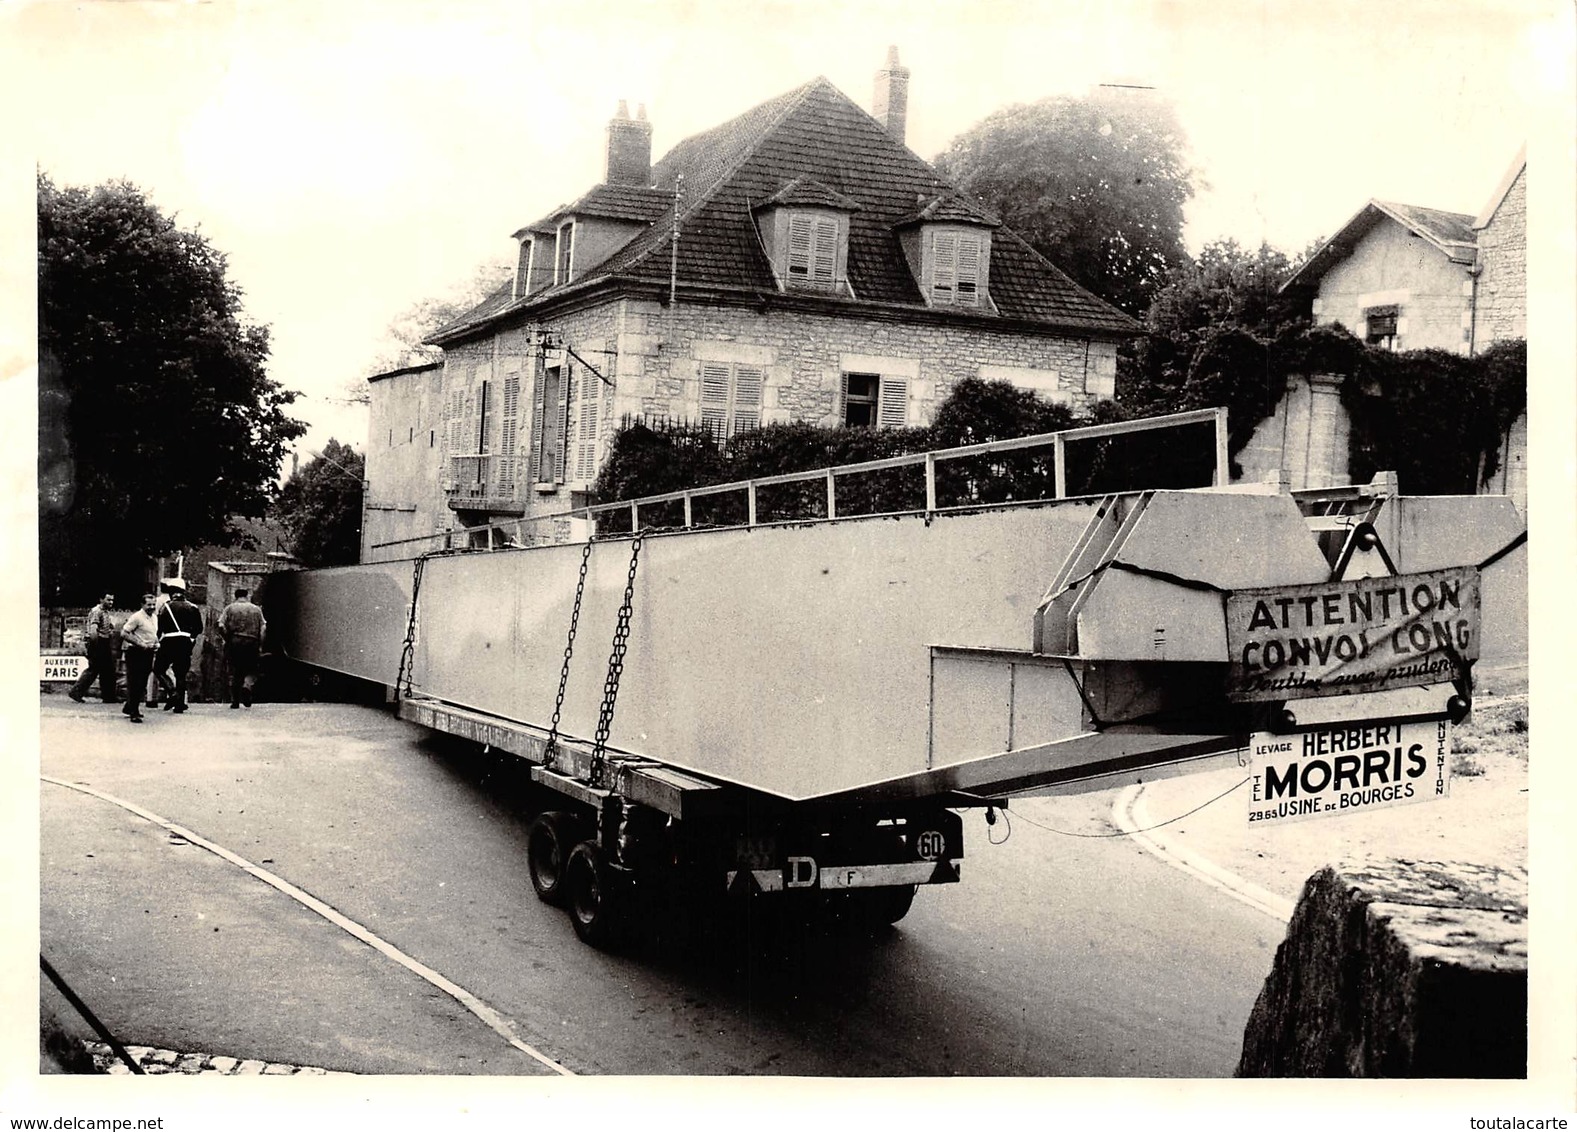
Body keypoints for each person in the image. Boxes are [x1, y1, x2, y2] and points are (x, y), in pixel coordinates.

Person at [154, 580, 203, 713]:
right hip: (185, 641)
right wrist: (191, 638)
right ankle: (180, 704)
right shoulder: (193, 607)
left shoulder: (166, 607)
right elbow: (199, 628)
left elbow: (160, 627)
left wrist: (157, 640)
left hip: (169, 640)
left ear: (171, 594)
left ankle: (172, 691)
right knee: (181, 673)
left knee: (158, 668)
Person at [219, 588, 266, 708]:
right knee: (252, 669)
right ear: (247, 596)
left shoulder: (229, 608)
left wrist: (227, 638)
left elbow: (220, 625)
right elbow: (263, 628)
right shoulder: (256, 609)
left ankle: (235, 701)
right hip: (252, 641)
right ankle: (247, 685)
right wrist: (260, 644)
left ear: (235, 596)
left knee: (236, 671)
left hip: (235, 641)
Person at [69, 592, 120, 704]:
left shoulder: (105, 612)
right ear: (101, 599)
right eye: (108, 600)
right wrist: (96, 645)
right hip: (98, 643)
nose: (111, 602)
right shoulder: (97, 611)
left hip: (103, 642)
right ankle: (77, 692)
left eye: (112, 600)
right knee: (95, 669)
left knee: (107, 670)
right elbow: (93, 630)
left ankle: (108, 696)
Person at [118, 594, 159, 723]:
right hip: (135, 652)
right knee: (135, 682)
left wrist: (156, 643)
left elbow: (152, 634)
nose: (152, 607)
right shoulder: (136, 617)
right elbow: (124, 633)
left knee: (142, 683)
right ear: (142, 605)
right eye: (149, 605)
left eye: (153, 604)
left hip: (148, 652)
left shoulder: (154, 618)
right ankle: (134, 712)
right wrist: (140, 643)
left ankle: (129, 706)